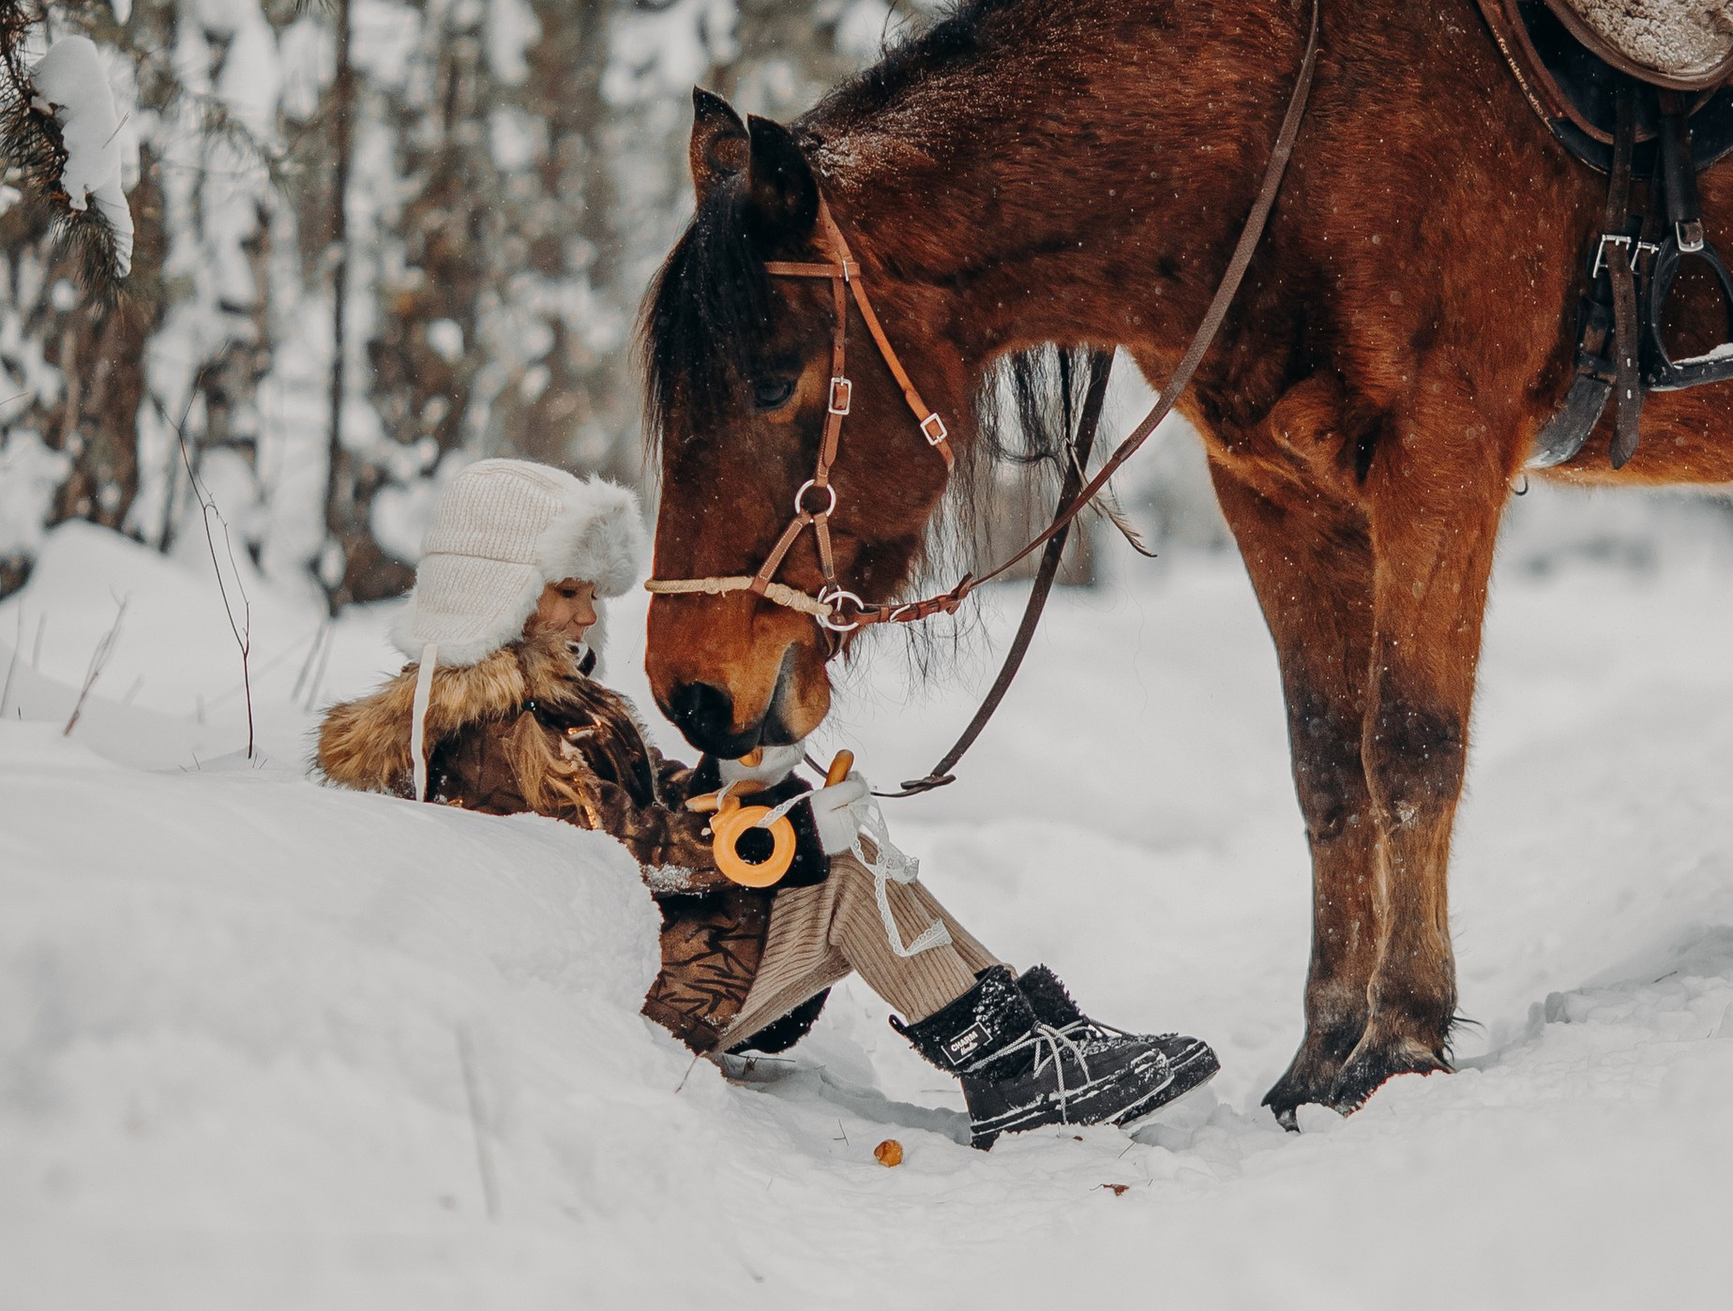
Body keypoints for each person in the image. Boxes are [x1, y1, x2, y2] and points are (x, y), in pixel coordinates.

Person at [314, 458, 1217, 1146]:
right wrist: (790, 838)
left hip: (669, 959)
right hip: (647, 992)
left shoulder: (545, 704)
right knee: (848, 872)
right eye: (567, 593)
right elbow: (633, 857)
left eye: (591, 593)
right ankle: (1013, 1071)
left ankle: (1028, 1035)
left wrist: (736, 782)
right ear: (501, 589)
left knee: (847, 846)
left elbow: (647, 802)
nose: (589, 617)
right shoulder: (507, 730)